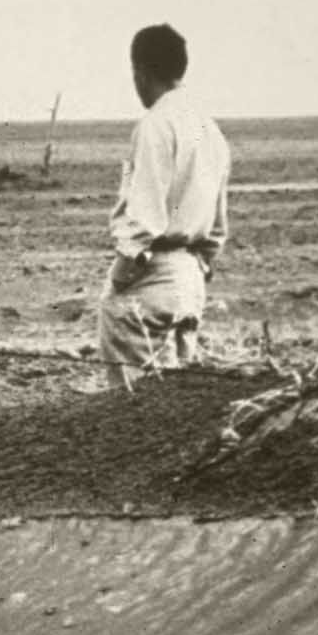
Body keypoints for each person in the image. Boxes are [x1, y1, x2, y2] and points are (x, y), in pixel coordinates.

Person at [96, 23, 231, 391]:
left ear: (140, 73)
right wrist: (202, 264)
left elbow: (144, 216)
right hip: (191, 277)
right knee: (176, 403)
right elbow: (218, 224)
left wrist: (121, 275)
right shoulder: (210, 128)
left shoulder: (156, 124)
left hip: (151, 275)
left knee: (135, 404)